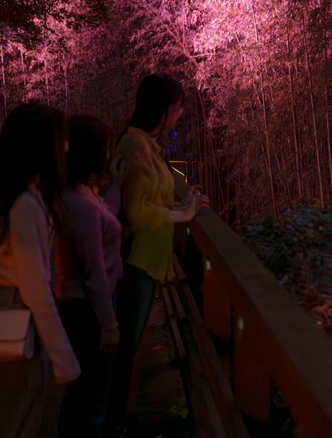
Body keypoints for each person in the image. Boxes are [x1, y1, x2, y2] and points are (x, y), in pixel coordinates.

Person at [103, 74, 207, 436]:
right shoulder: (135, 145)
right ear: (163, 110)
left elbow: (153, 199)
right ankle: (112, 423)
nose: (180, 113)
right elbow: (136, 210)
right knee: (125, 348)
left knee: (128, 348)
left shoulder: (146, 143)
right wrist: (183, 215)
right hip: (135, 260)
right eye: (177, 107)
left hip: (147, 259)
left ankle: (117, 418)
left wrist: (184, 203)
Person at [0, 103, 81, 437]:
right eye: (61, 140)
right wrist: (65, 359)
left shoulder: (13, 196)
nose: (67, 147)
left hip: (2, 312)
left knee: (12, 412)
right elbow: (36, 289)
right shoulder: (25, 205)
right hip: (17, 318)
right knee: (18, 418)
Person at [55, 115, 125, 437]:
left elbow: (106, 215)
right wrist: (109, 327)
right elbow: (95, 274)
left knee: (84, 394)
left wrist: (116, 185)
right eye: (107, 148)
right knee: (92, 397)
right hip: (87, 312)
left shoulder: (78, 194)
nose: (110, 155)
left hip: (82, 307)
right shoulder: (78, 205)